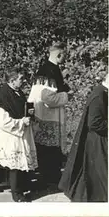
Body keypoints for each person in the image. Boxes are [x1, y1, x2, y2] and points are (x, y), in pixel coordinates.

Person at [0, 69, 38, 202]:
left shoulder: (17, 92)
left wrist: (30, 115)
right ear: (12, 81)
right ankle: (17, 194)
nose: (23, 81)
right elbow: (2, 122)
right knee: (14, 163)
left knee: (2, 161)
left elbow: (21, 108)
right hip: (7, 133)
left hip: (18, 131)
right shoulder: (1, 98)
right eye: (20, 78)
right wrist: (21, 122)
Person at [27, 41, 71, 190]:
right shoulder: (49, 71)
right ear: (59, 55)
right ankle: (49, 178)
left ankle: (49, 176)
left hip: (43, 114)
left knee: (46, 147)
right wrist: (67, 96)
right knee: (49, 148)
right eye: (64, 55)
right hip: (48, 115)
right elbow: (48, 98)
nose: (65, 58)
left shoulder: (47, 68)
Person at [59, 73, 108, 202]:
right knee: (98, 173)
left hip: (99, 140)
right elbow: (94, 123)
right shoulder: (99, 95)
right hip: (97, 141)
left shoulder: (103, 92)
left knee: (94, 174)